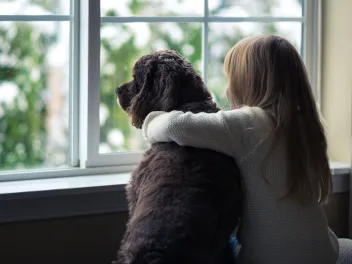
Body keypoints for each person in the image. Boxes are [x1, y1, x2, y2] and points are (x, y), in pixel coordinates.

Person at [141, 35, 352, 264]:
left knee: (216, 248)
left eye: (230, 78)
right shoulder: (309, 122)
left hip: (269, 258)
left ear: (247, 82)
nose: (228, 87)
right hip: (325, 252)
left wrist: (150, 120)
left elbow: (175, 126)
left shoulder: (248, 123)